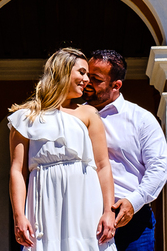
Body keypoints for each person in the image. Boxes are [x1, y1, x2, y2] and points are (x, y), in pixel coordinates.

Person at [9, 48, 117, 250]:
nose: (87, 80)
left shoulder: (89, 114)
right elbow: (17, 170)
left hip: (85, 203)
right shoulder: (25, 117)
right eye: (82, 72)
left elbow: (103, 166)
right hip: (44, 206)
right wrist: (19, 216)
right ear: (63, 71)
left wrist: (108, 212)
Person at [85, 50, 167, 251]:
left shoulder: (141, 119)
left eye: (95, 79)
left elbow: (159, 168)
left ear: (116, 85)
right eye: (86, 75)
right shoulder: (72, 118)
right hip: (86, 218)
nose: (86, 82)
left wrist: (133, 202)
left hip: (132, 222)